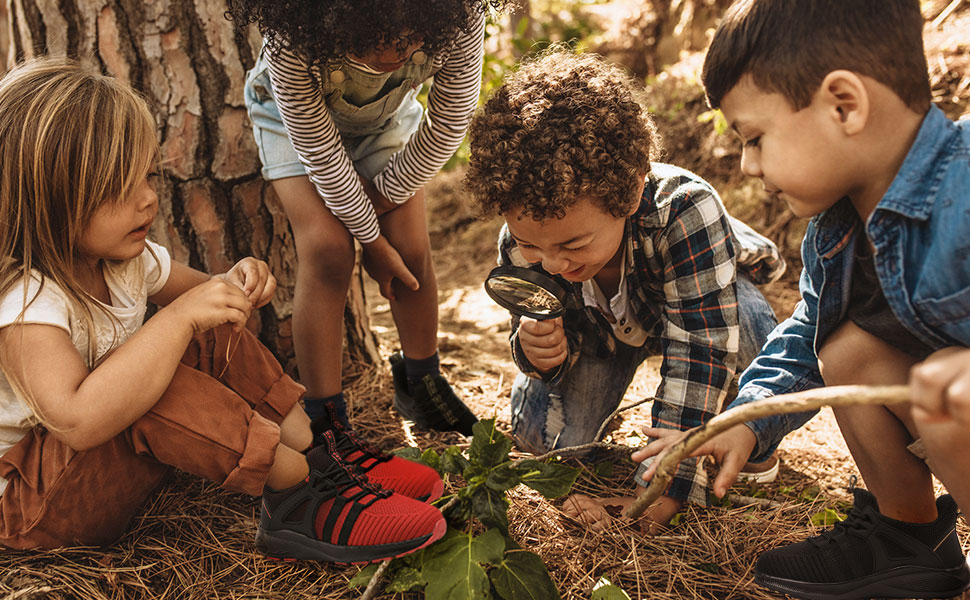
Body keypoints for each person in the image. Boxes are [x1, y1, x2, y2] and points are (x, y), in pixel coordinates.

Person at [0, 57, 446, 564]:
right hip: (36, 508)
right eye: (120, 189)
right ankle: (295, 497)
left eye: (148, 177)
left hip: (98, 469)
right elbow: (77, 421)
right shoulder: (27, 305)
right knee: (159, 373)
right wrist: (177, 318)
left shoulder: (126, 262)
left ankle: (317, 450)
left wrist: (237, 282)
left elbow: (212, 302)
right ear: (47, 201)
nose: (148, 201)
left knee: (201, 333)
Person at [635, 1, 970, 598]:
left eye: (756, 138)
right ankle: (909, 539)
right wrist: (745, 421)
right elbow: (804, 340)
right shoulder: (835, 234)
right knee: (844, 351)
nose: (747, 163)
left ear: (845, 105)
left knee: (948, 385)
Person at [463, 50, 785, 532]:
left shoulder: (685, 210)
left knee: (752, 327)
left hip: (695, 302)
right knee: (542, 441)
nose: (552, 263)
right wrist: (540, 354)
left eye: (573, 243)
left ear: (631, 193)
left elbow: (700, 348)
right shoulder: (522, 241)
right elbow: (528, 323)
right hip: (601, 336)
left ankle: (749, 436)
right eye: (533, 245)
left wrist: (660, 489)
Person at [227, 0, 514, 440]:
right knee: (328, 250)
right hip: (293, 126)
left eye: (407, 40)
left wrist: (381, 201)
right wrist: (371, 243)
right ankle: (325, 416)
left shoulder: (460, 14)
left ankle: (422, 382)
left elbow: (449, 124)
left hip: (387, 121)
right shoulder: (293, 37)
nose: (391, 56)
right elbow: (321, 153)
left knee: (411, 249)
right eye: (372, 41)